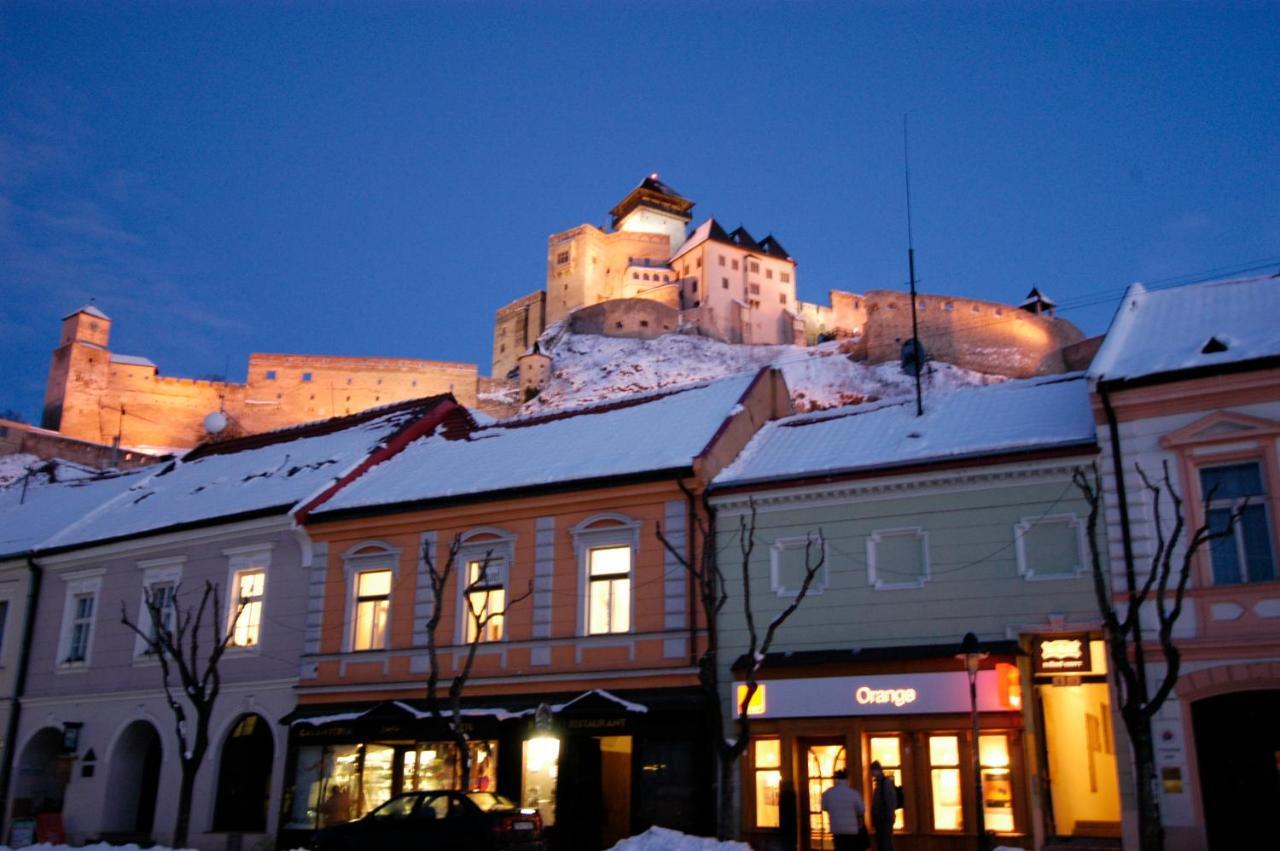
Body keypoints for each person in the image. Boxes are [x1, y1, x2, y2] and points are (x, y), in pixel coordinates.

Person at [819, 768, 867, 851]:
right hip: (851, 829)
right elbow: (861, 809)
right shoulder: (853, 793)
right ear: (847, 780)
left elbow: (824, 807)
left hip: (836, 828)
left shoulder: (829, 793)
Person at [869, 761, 897, 851]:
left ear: (876, 770)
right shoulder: (881, 783)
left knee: (885, 844)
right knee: (883, 844)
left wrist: (888, 817)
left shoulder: (884, 783)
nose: (872, 774)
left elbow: (889, 802)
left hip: (884, 820)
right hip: (882, 820)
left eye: (872, 771)